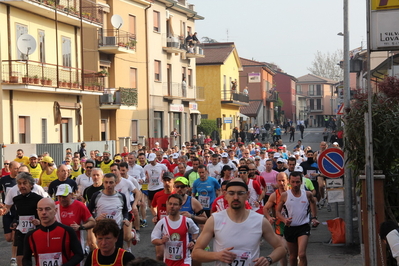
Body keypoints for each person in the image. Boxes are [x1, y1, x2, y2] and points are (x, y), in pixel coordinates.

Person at [192, 178, 286, 265]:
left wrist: (269, 259)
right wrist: (217, 255)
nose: (236, 197)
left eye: (240, 193)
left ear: (247, 195)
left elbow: (281, 248)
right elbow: (196, 253)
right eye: (231, 193)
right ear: (225, 195)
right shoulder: (214, 220)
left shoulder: (260, 221)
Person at [23, 198, 84, 266]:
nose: (43, 212)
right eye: (40, 209)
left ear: (55, 210)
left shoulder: (67, 231)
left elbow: (79, 254)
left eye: (47, 209)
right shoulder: (31, 235)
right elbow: (26, 259)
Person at [276, 172, 319, 266]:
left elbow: (313, 202)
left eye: (298, 182)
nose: (295, 185)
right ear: (289, 182)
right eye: (293, 182)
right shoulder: (285, 195)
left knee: (302, 254)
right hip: (290, 228)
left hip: (303, 227)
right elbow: (277, 212)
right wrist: (284, 220)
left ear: (301, 182)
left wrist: (314, 217)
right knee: (292, 256)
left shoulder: (307, 194)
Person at [0, 172, 42, 266]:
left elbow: (44, 214)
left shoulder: (38, 198)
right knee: (20, 259)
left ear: (31, 185)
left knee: (39, 257)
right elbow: (18, 215)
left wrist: (39, 221)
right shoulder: (17, 199)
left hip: (35, 232)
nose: (22, 186)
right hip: (22, 232)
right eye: (19, 183)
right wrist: (15, 222)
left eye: (24, 183)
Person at [151, 194, 199, 266]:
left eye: (175, 204)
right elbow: (153, 239)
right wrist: (161, 241)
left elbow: (196, 231)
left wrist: (193, 241)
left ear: (180, 206)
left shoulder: (187, 221)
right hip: (168, 261)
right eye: (170, 204)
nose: (172, 206)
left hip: (185, 260)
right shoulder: (162, 223)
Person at [88, 173, 129, 249]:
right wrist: (96, 218)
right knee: (103, 251)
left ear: (116, 183)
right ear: (103, 183)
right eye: (106, 182)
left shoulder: (121, 196)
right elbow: (88, 212)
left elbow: (125, 210)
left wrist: (126, 219)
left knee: (117, 252)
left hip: (117, 230)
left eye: (111, 182)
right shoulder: (96, 195)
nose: (108, 185)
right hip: (101, 230)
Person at [54, 184, 96, 249]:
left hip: (76, 245)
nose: (62, 199)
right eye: (59, 196)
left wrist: (80, 227)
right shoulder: (54, 206)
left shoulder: (79, 205)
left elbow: (92, 222)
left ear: (71, 195)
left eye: (64, 196)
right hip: (60, 245)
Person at [263, 172, 290, 266]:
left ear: (288, 180)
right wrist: (269, 217)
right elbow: (265, 208)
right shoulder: (274, 195)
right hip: (280, 225)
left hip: (294, 224)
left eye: (283, 180)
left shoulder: (293, 192)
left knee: (294, 252)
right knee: (282, 249)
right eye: (279, 180)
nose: (281, 183)